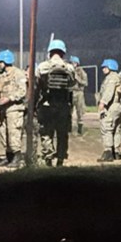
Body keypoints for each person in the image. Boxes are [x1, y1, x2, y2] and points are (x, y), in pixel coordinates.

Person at [34, 39, 75, 167]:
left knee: (46, 133)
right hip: (63, 105)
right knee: (62, 134)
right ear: (63, 53)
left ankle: (48, 157)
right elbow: (72, 84)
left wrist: (35, 104)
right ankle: (61, 159)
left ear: (50, 52)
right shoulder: (69, 68)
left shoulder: (42, 67)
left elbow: (36, 85)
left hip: (47, 105)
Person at [0, 50, 26, 168]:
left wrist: (10, 98)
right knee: (3, 132)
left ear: (6, 62)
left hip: (14, 109)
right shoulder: (1, 75)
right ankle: (9, 157)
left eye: (0, 62)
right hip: (3, 109)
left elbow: (22, 91)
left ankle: (17, 158)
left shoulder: (18, 74)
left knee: (13, 132)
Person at [96, 59, 121, 162]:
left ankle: (108, 152)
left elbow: (109, 92)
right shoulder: (119, 78)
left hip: (112, 106)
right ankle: (116, 151)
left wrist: (103, 102)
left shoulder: (111, 78)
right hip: (119, 106)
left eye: (105, 67)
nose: (103, 69)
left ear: (110, 67)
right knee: (116, 129)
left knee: (106, 127)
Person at [69, 56, 88, 135]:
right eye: (72, 63)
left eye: (74, 63)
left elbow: (85, 83)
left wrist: (78, 79)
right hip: (70, 92)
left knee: (80, 111)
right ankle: (68, 129)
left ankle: (80, 129)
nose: (73, 64)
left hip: (79, 92)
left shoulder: (82, 72)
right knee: (69, 111)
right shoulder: (69, 72)